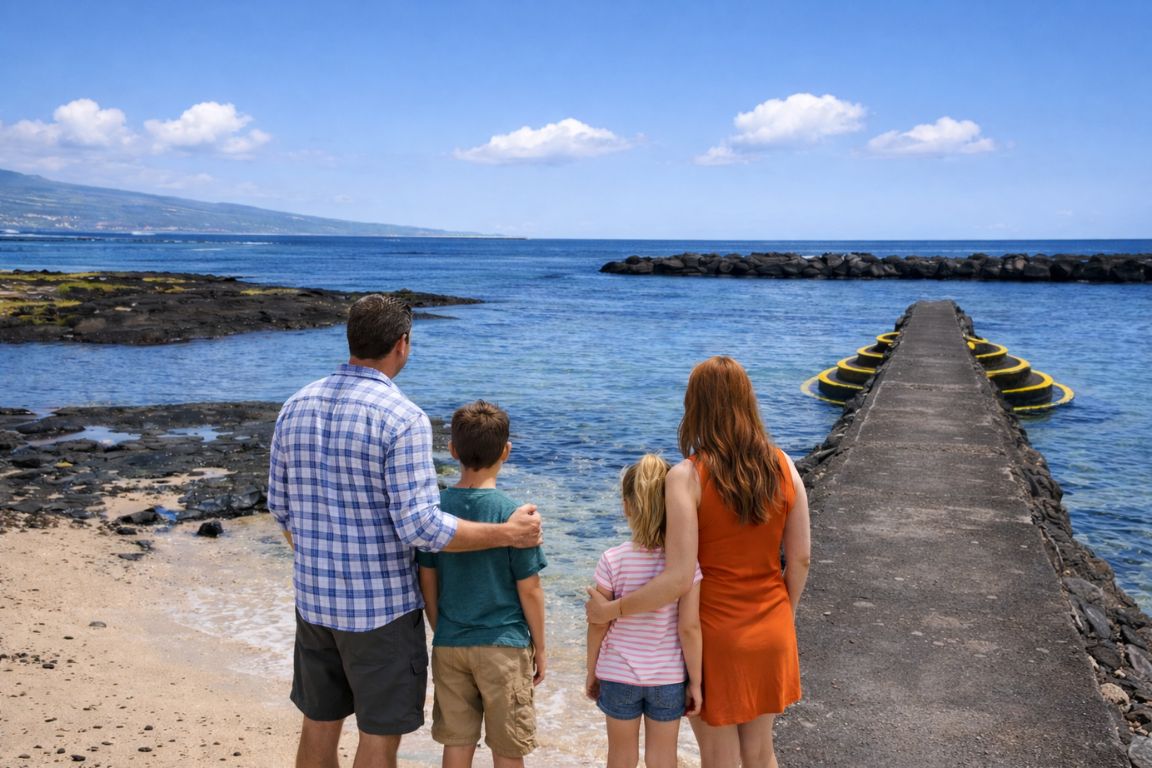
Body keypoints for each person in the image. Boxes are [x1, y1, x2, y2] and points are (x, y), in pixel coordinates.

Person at [268, 294, 543, 768]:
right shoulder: (402, 418)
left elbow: (282, 509)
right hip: (381, 613)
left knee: (319, 726)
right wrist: (507, 534)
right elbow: (422, 527)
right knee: (378, 738)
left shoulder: (295, 405)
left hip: (314, 602)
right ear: (402, 344)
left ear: (352, 339)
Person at [586, 356, 811, 768]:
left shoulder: (687, 476)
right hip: (772, 625)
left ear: (695, 406)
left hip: (713, 633)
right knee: (761, 754)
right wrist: (785, 613)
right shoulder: (784, 466)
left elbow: (678, 578)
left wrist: (612, 610)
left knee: (719, 756)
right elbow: (800, 559)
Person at [416, 400, 547, 768]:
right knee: (508, 749)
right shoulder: (515, 516)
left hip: (451, 643)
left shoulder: (435, 510)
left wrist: (441, 628)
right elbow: (530, 589)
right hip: (503, 646)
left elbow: (427, 579)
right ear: (506, 451)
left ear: (452, 450)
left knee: (457, 744)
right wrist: (541, 647)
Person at [585, 454, 702, 768]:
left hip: (618, 673)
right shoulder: (686, 566)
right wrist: (695, 681)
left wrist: (591, 670)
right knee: (663, 758)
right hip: (667, 677)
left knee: (621, 757)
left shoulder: (612, 559)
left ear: (626, 506)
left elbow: (598, 623)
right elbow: (689, 628)